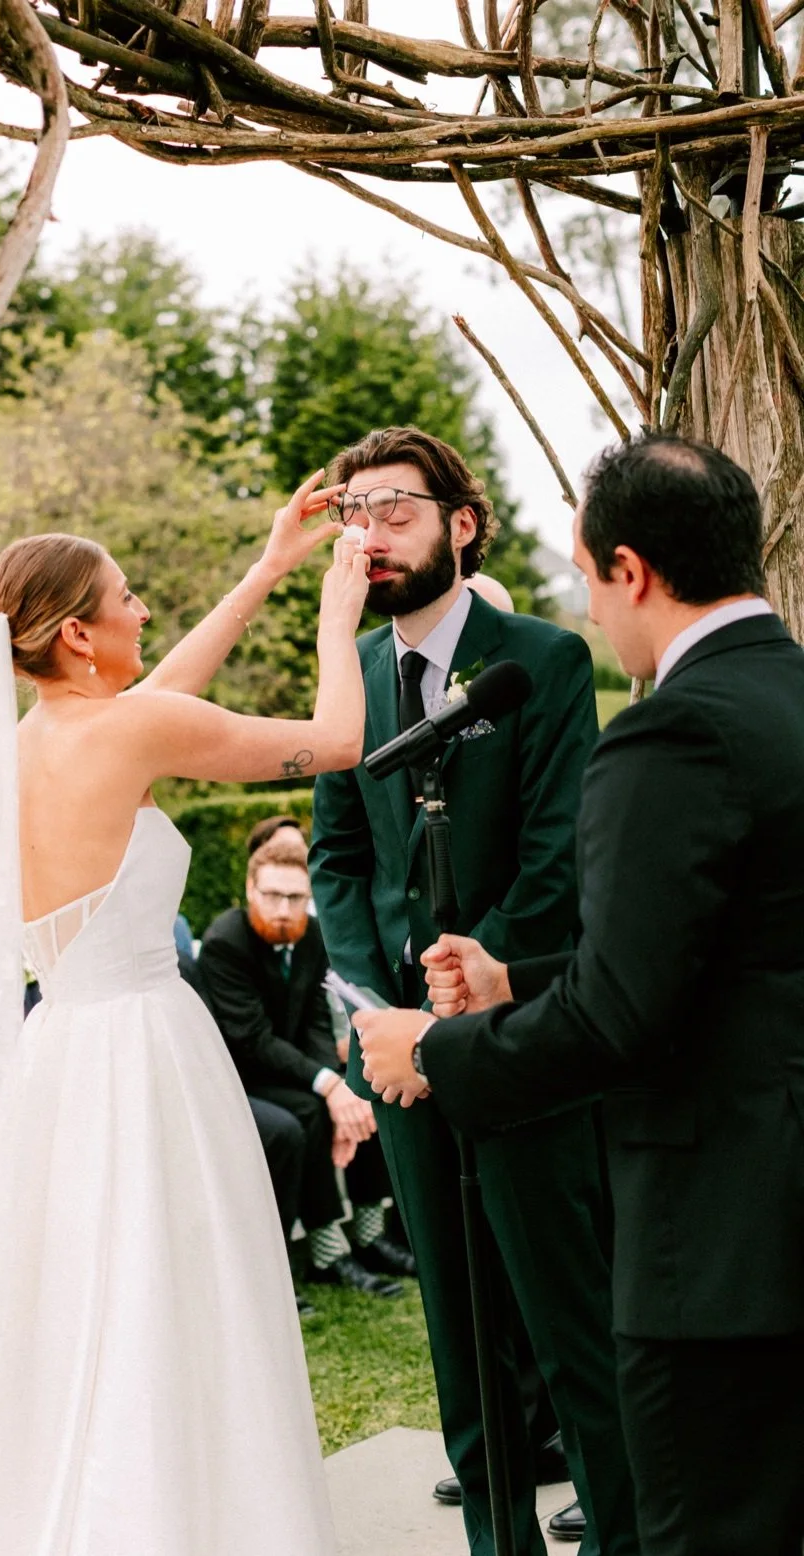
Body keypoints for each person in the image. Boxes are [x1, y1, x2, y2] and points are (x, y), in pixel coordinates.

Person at [360, 434, 804, 1556]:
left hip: (723, 1247)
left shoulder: (671, 733)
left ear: (630, 570)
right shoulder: (786, 698)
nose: (588, 606)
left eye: (585, 576)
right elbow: (737, 950)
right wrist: (520, 975)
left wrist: (437, 1051)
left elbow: (621, 1018)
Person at [0, 470, 368, 1554]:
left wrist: (267, 564)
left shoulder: (16, 749)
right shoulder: (130, 734)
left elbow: (166, 687)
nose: (144, 610)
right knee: (173, 1296)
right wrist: (337, 604)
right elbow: (335, 738)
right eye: (128, 595)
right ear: (79, 636)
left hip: (59, 1052)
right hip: (146, 1055)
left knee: (75, 1302)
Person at [308, 425, 631, 1554]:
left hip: (519, 1032)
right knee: (454, 1320)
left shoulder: (537, 660)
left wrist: (466, 984)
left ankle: (620, 1531)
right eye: (352, 513)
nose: (369, 531)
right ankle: (497, 1535)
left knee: (563, 1315)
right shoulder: (349, 676)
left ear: (461, 521)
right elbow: (337, 857)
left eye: (394, 507)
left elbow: (560, 856)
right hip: (394, 1050)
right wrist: (375, 1003)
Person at [199, 822, 412, 1299]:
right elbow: (251, 1040)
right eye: (272, 895)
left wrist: (339, 1083)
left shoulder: (312, 935)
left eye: (295, 898)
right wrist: (324, 1084)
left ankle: (370, 1233)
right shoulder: (225, 941)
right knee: (312, 1114)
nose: (282, 910)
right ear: (249, 889)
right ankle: (326, 1251)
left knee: (362, 1093)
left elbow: (318, 1019)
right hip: (242, 1076)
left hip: (291, 1069)